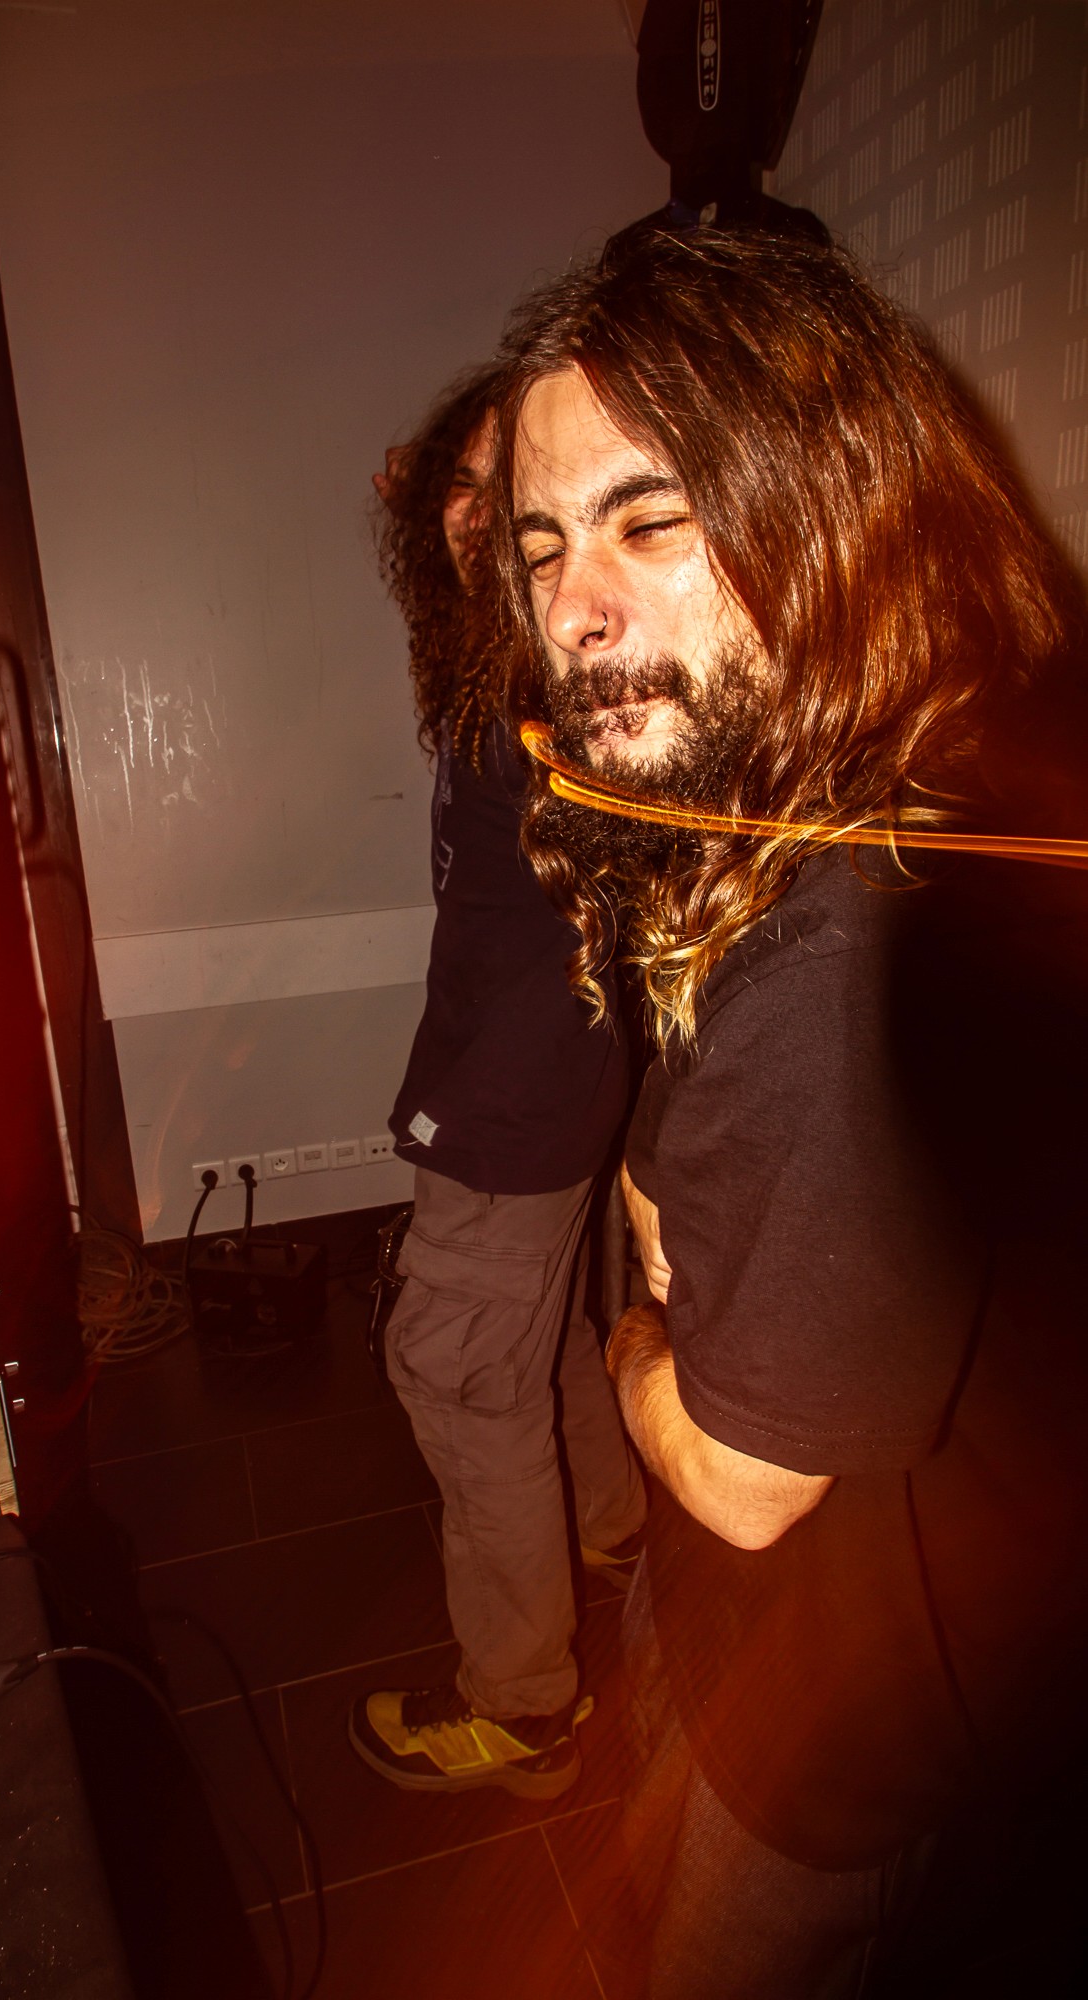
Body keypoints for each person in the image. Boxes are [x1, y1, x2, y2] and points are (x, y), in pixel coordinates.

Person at [488, 231, 1088, 1991]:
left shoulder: (838, 934)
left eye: (648, 520)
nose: (574, 608)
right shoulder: (828, 806)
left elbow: (742, 1483)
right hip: (778, 1651)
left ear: (829, 511)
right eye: (544, 546)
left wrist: (628, 1341)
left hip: (840, 1735)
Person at [347, 366, 647, 1801]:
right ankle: (610, 1524)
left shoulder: (552, 660)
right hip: (549, 1080)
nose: (475, 516)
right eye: (459, 493)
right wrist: (439, 500)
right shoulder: (507, 649)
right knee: (534, 1338)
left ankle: (523, 1706)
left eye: (503, 489)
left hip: (515, 1095)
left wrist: (469, 1108)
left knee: (458, 1372)